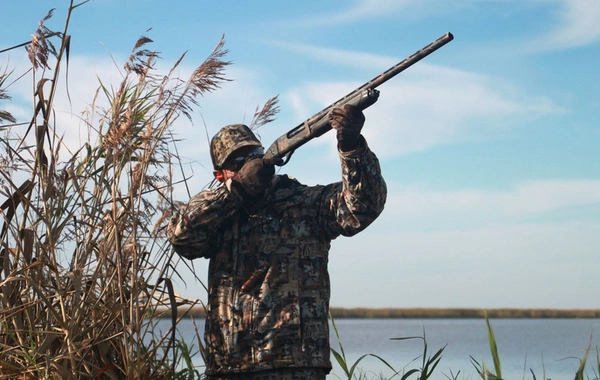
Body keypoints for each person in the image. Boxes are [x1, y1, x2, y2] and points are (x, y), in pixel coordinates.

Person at [166, 104, 387, 380]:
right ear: (220, 176)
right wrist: (233, 193)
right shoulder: (219, 218)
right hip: (229, 368)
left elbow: (363, 207)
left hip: (296, 366)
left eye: (254, 155)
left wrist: (352, 148)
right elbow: (181, 237)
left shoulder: (306, 203)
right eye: (237, 162)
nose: (249, 164)